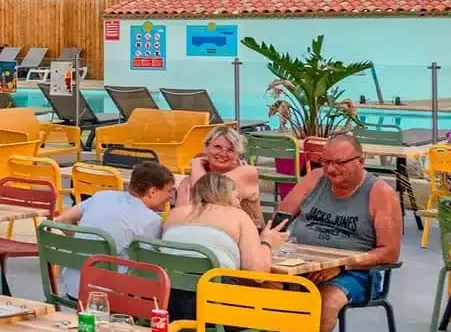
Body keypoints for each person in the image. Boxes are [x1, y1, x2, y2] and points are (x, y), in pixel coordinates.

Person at [279, 132, 402, 332]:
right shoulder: (314, 179)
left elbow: (389, 253)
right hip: (301, 264)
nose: (330, 169)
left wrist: (342, 265)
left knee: (327, 299)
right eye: (325, 162)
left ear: (360, 162)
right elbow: (280, 220)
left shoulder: (380, 193)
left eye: (339, 162)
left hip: (355, 272)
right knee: (264, 287)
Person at [51, 161, 175, 298]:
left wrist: (86, 242)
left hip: (73, 288)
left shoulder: (102, 196)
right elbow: (150, 269)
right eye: (169, 191)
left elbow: (62, 220)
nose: (170, 197)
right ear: (152, 191)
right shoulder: (151, 220)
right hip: (109, 297)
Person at [164, 171, 282, 273]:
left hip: (167, 290)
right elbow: (256, 272)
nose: (239, 202)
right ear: (226, 195)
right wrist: (267, 242)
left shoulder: (174, 214)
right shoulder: (238, 216)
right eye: (237, 197)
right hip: (214, 290)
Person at [176, 127, 262, 225]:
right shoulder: (196, 175)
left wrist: (196, 163)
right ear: (206, 147)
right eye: (217, 147)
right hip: (209, 230)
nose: (223, 154)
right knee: (185, 183)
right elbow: (181, 213)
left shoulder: (247, 172)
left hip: (247, 233)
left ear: (237, 154)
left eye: (230, 150)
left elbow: (205, 191)